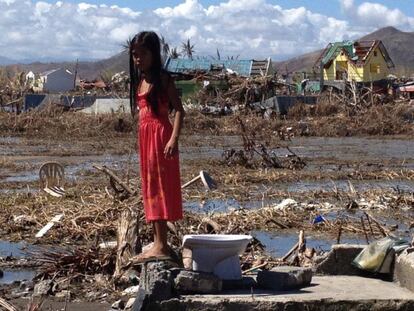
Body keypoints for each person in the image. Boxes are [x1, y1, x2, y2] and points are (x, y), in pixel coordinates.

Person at [129, 31, 185, 262]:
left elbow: (179, 110)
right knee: (150, 188)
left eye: (142, 54)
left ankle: (161, 245)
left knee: (160, 188)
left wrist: (173, 139)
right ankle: (157, 243)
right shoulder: (140, 80)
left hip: (161, 137)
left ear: (154, 54)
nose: (138, 59)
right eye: (134, 55)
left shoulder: (163, 79)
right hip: (145, 139)